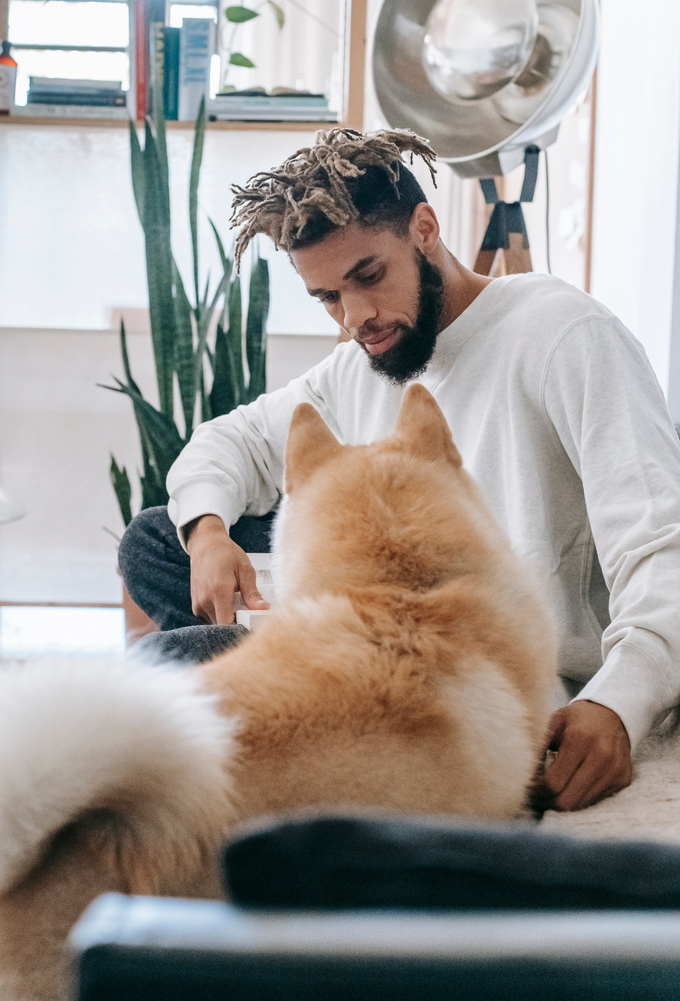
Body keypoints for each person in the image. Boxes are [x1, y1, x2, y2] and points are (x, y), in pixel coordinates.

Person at [119, 126, 680, 813]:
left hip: (502, 678)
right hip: (377, 646)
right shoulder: (364, 359)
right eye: (328, 297)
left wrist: (617, 705)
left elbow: (663, 544)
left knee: (171, 663)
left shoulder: (564, 335)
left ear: (424, 228)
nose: (356, 316)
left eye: (369, 276)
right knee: (157, 540)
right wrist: (208, 533)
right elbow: (230, 441)